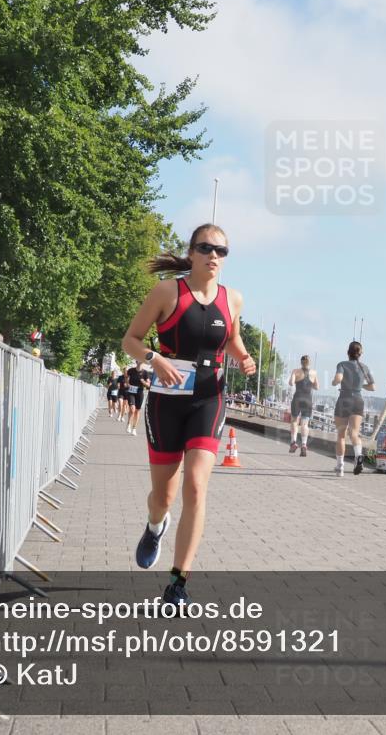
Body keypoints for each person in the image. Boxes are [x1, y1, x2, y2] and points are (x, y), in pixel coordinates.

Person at [122, 223, 255, 606]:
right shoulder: (167, 291)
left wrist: (243, 358)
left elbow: (231, 339)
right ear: (192, 252)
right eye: (206, 248)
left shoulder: (233, 300)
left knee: (196, 485)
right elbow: (130, 339)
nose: (214, 256)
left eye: (222, 251)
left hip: (208, 397)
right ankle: (154, 526)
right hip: (167, 399)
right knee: (163, 496)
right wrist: (154, 358)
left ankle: (178, 583)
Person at [331, 341, 374, 477]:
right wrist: (361, 386)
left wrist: (334, 382)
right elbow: (373, 387)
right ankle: (358, 455)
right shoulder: (365, 368)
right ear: (360, 354)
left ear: (348, 352)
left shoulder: (342, 364)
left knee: (341, 435)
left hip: (344, 399)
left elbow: (338, 379)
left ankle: (340, 467)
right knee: (354, 433)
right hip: (358, 401)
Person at [287, 355, 318, 456]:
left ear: (301, 362)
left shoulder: (295, 371)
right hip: (308, 400)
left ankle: (293, 442)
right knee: (305, 424)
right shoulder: (314, 373)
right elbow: (317, 387)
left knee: (294, 421)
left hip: (297, 399)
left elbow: (291, 383)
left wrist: (295, 378)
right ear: (309, 362)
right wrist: (310, 383)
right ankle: (304, 444)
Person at [125, 360, 147, 435]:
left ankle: (134, 428)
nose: (140, 361)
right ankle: (128, 424)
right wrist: (127, 383)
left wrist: (143, 382)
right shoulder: (131, 370)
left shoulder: (145, 372)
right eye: (139, 360)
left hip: (140, 393)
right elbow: (126, 378)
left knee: (137, 411)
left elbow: (148, 384)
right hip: (131, 392)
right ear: (136, 361)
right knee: (132, 409)